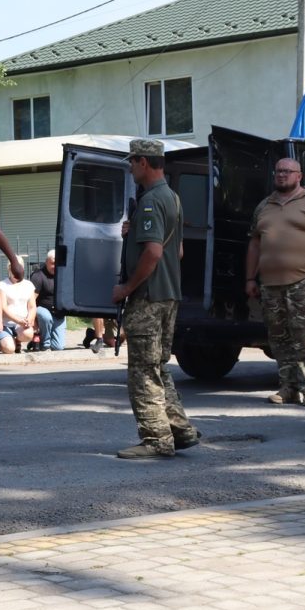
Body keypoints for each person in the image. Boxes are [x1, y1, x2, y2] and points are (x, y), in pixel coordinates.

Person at [111, 138, 199, 460]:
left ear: (143, 163)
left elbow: (154, 252)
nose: (131, 168)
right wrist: (134, 233)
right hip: (169, 295)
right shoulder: (172, 197)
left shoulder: (149, 201)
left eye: (132, 162)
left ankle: (156, 439)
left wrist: (126, 288)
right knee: (158, 367)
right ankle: (179, 430)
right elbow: (178, 250)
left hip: (148, 297)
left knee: (143, 372)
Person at [244, 158, 305, 406]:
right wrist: (250, 278)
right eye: (278, 171)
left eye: (287, 171)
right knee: (278, 338)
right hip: (270, 284)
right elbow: (255, 243)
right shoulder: (264, 206)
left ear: (299, 175)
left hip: (303, 282)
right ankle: (287, 388)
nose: (281, 175)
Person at [0, 262, 37, 353]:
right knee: (9, 349)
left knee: (28, 334)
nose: (16, 271)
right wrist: (18, 320)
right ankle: (0, 344)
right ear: (9, 269)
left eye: (19, 267)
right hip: (6, 323)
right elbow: (3, 308)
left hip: (22, 323)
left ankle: (17, 341)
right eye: (13, 268)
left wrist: (29, 319)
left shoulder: (29, 285)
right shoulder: (2, 284)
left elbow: (32, 307)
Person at [30, 250, 66, 350]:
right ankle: (44, 343)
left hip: (58, 314)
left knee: (59, 347)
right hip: (42, 311)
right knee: (45, 316)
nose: (55, 266)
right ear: (46, 262)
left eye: (57, 263)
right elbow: (31, 301)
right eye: (53, 263)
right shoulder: (38, 276)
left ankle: (40, 338)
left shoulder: (64, 275)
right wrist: (34, 322)